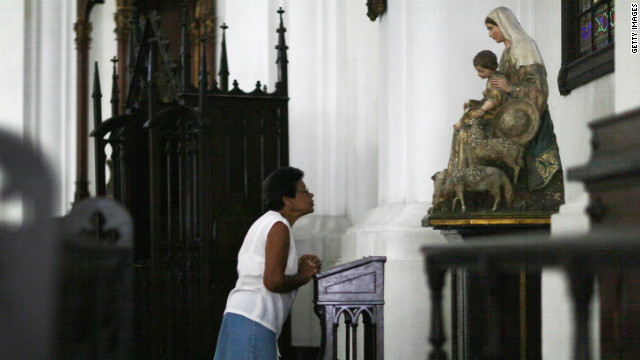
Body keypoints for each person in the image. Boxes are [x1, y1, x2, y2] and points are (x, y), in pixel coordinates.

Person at [213, 166, 321, 360]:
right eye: (304, 191)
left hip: (241, 316)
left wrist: (298, 266)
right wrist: (304, 275)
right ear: (287, 199)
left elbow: (265, 268)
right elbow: (272, 281)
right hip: (254, 317)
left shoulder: (268, 222)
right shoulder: (278, 226)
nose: (310, 194)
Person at [484, 6, 563, 191]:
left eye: (491, 28)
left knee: (536, 160)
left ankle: (538, 192)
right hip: (509, 115)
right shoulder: (505, 53)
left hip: (530, 115)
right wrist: (494, 92)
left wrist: (510, 88)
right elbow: (502, 82)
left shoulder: (525, 46)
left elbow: (538, 87)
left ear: (503, 25)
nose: (489, 34)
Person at [454, 50, 509, 132]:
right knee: (469, 103)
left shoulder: (496, 80)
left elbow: (494, 100)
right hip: (489, 105)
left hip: (496, 110)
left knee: (470, 111)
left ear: (492, 68)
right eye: (478, 71)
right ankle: (464, 123)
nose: (479, 74)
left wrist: (482, 109)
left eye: (482, 71)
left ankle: (461, 124)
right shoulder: (492, 77)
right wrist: (487, 92)